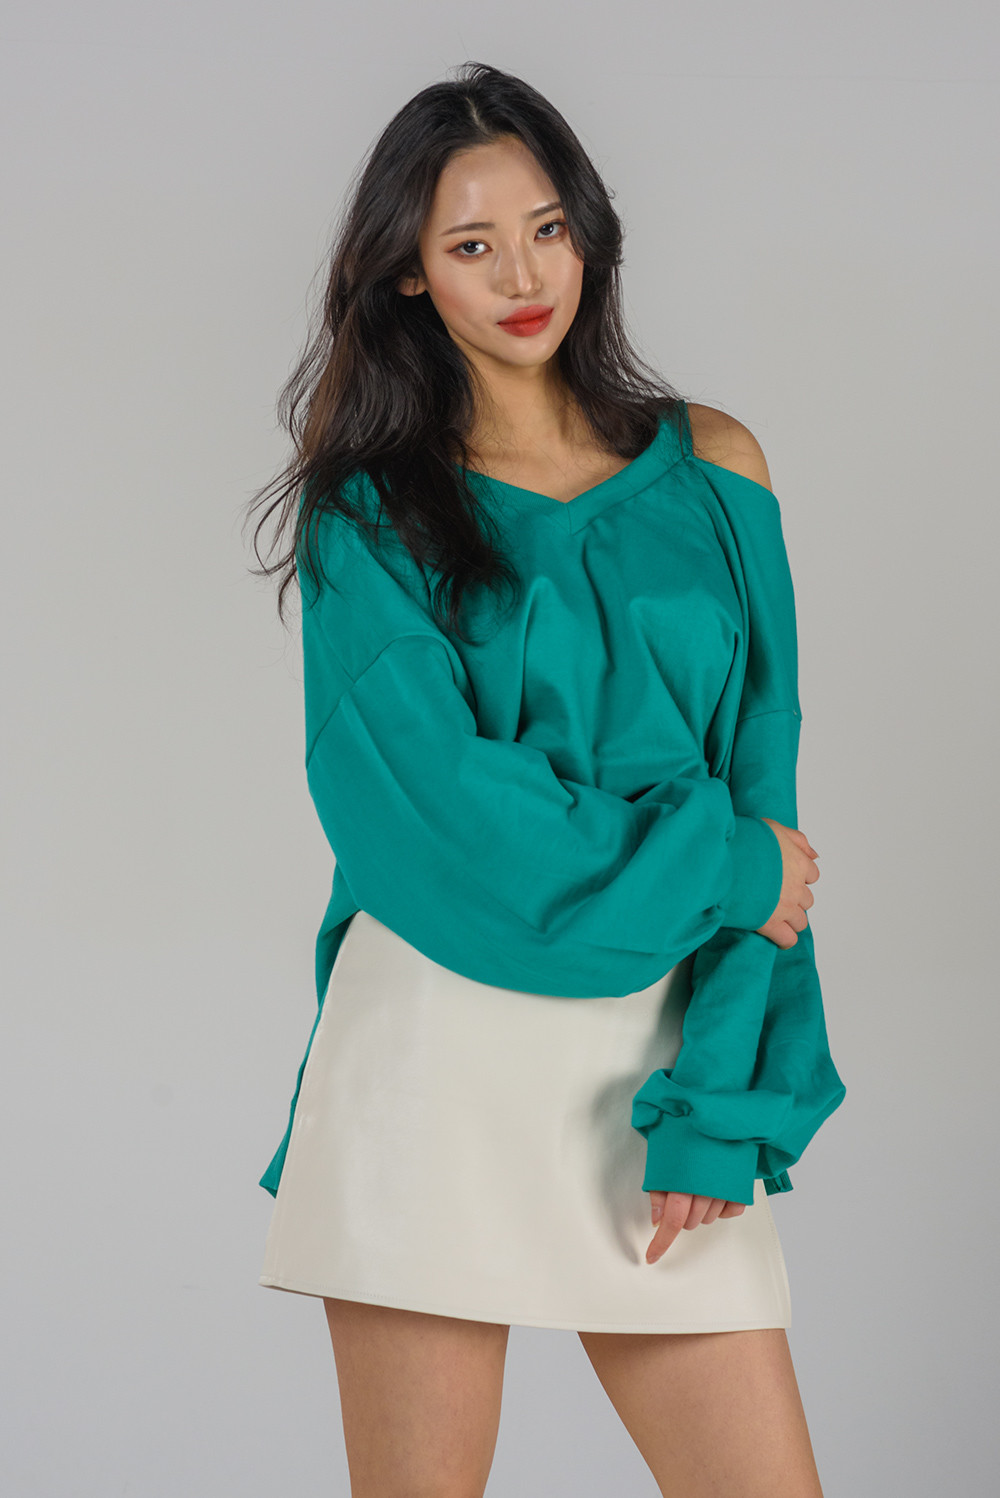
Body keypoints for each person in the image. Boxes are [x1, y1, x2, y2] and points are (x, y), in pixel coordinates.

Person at [245, 60, 846, 1498]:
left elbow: (764, 789)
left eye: (548, 228)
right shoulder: (367, 513)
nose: (523, 276)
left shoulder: (717, 467)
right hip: (433, 1057)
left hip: (651, 1065)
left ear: (588, 229)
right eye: (471, 245)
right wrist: (726, 866)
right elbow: (440, 819)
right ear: (407, 273)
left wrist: (717, 1101)